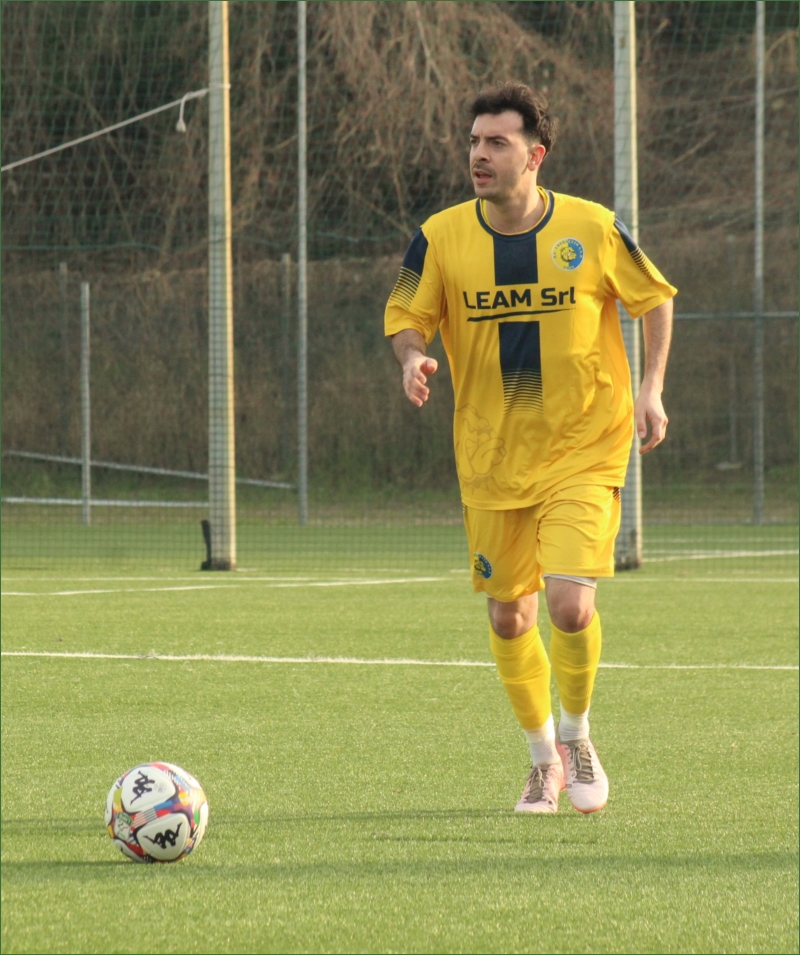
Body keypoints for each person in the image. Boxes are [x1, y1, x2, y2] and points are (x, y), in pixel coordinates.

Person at [384, 82, 676, 814]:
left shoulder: (591, 226)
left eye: (497, 142)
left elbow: (654, 298)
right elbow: (407, 314)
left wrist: (651, 388)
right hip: (491, 456)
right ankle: (543, 759)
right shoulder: (440, 236)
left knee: (569, 605)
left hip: (584, 446)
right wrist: (412, 357)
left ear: (535, 155)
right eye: (474, 141)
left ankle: (578, 735)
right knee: (509, 617)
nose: (478, 155)